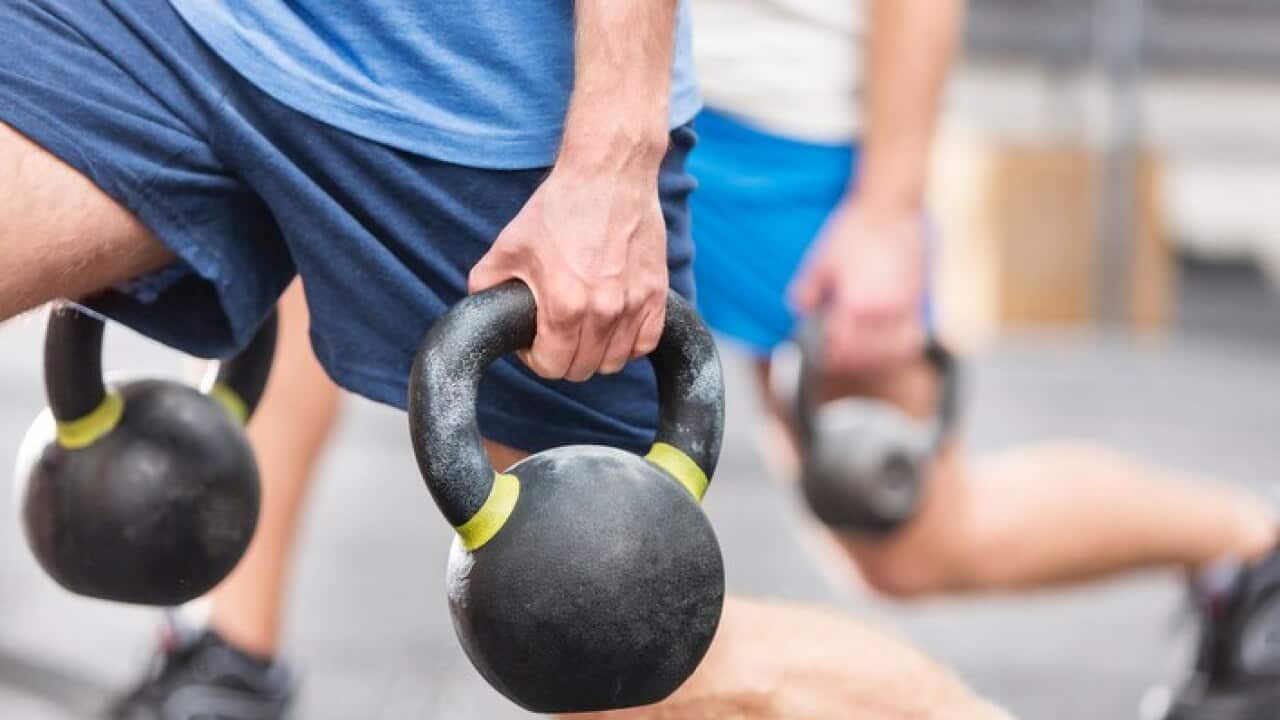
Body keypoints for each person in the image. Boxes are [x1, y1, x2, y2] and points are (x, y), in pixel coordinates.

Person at [0, 1, 1008, 719]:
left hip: (459, 75)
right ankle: (232, 652)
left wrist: (612, 156)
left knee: (622, 642)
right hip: (160, 25)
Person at [687, 0, 1280, 716]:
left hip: (769, 124)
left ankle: (1254, 551)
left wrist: (888, 213)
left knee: (909, 536)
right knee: (575, 564)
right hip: (572, 104)